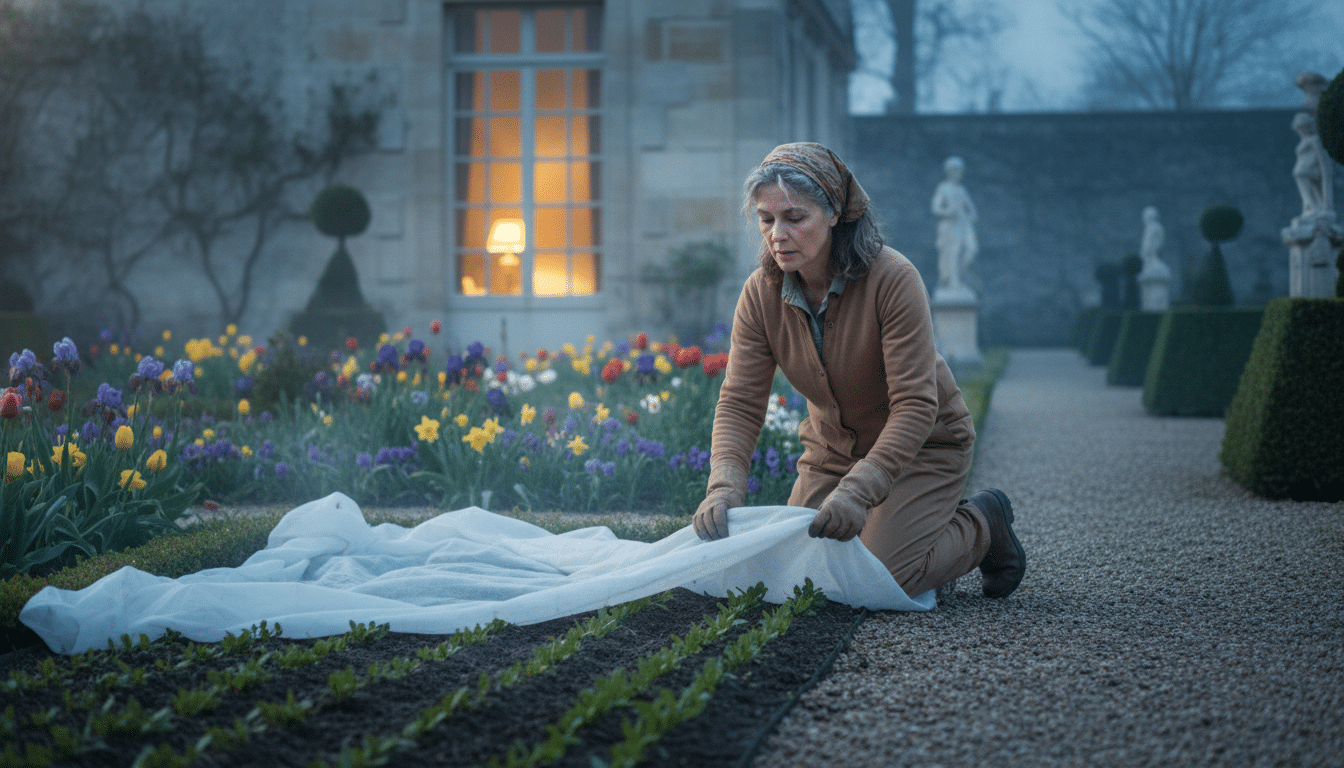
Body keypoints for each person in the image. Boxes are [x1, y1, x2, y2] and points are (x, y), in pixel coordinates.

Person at [692, 142, 1026, 600]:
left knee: (882, 577)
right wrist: (724, 486)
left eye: (794, 218)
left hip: (923, 447)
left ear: (833, 214)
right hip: (831, 454)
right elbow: (740, 401)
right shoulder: (759, 294)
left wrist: (859, 492)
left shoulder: (893, 279)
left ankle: (982, 523)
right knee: (797, 571)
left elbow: (915, 406)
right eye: (766, 220)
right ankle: (905, 524)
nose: (777, 235)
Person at [931, 155, 978, 296]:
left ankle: (955, 279)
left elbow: (973, 212)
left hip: (963, 227)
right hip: (949, 227)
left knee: (970, 251)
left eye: (959, 170)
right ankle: (953, 284)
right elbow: (935, 208)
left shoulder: (961, 190)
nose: (958, 173)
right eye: (955, 170)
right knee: (952, 254)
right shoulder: (943, 188)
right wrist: (949, 211)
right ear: (949, 171)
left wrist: (965, 216)